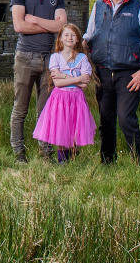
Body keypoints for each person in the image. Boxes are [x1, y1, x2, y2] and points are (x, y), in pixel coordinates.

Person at [83, 0, 140, 165]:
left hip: (129, 74)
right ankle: (108, 162)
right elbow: (89, 36)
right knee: (106, 121)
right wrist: (77, 58)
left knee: (126, 119)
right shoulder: (99, 5)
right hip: (102, 72)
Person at [8, 0, 67, 163]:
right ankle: (19, 153)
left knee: (45, 110)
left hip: (50, 59)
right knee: (20, 108)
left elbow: (61, 27)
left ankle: (45, 153)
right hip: (25, 56)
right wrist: (48, 25)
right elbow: (19, 25)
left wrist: (35, 20)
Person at [32, 24, 96, 162]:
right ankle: (62, 161)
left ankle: (72, 158)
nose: (69, 38)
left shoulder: (82, 58)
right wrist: (77, 78)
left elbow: (85, 84)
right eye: (66, 35)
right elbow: (58, 83)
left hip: (77, 98)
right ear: (60, 38)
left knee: (74, 129)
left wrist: (64, 75)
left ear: (78, 39)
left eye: (73, 35)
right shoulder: (55, 57)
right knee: (62, 130)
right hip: (60, 98)